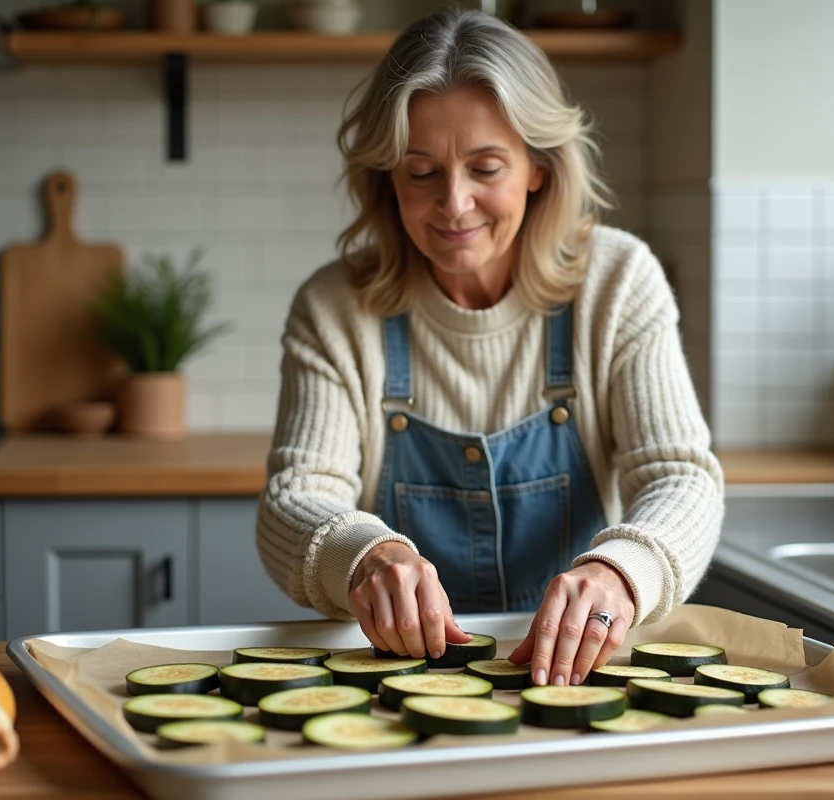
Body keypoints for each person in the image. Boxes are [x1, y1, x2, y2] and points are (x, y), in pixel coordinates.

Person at [256, 7, 724, 689]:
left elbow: (680, 477)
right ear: (386, 175)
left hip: (578, 677)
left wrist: (621, 573)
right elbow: (295, 498)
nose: (454, 204)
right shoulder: (335, 307)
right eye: (421, 172)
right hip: (394, 685)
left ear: (537, 167)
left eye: (485, 168)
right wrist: (365, 555)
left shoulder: (619, 281)